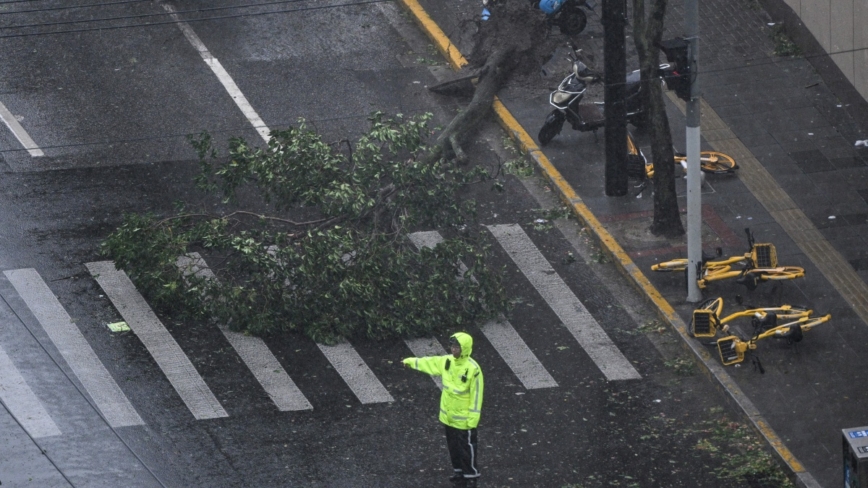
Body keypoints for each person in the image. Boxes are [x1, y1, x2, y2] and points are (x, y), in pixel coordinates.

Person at [403, 332, 484, 487]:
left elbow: (477, 395)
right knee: (453, 448)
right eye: (452, 346)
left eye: (457, 347)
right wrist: (411, 362)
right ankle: (459, 473)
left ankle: (471, 476)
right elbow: (430, 363)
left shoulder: (473, 369)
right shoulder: (447, 361)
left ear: (464, 348)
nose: (453, 350)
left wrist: (473, 419)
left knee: (467, 450)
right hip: (449, 417)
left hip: (464, 420)